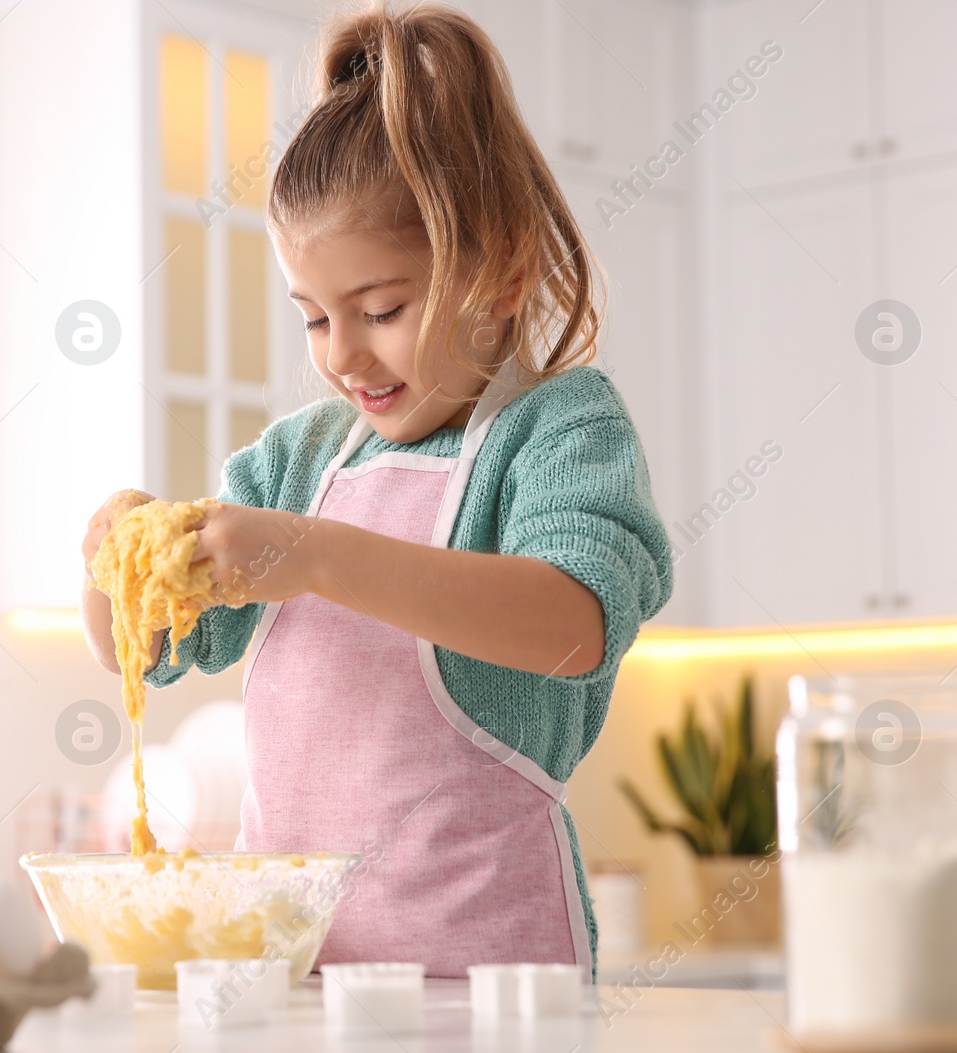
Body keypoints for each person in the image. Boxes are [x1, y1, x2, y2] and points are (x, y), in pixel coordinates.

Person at [82, 2, 673, 983]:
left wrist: (312, 555)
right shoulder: (297, 460)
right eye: (314, 318)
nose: (343, 354)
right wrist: (112, 564)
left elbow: (573, 625)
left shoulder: (560, 431)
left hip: (497, 994)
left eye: (382, 308)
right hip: (301, 984)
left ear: (506, 271)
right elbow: (135, 652)